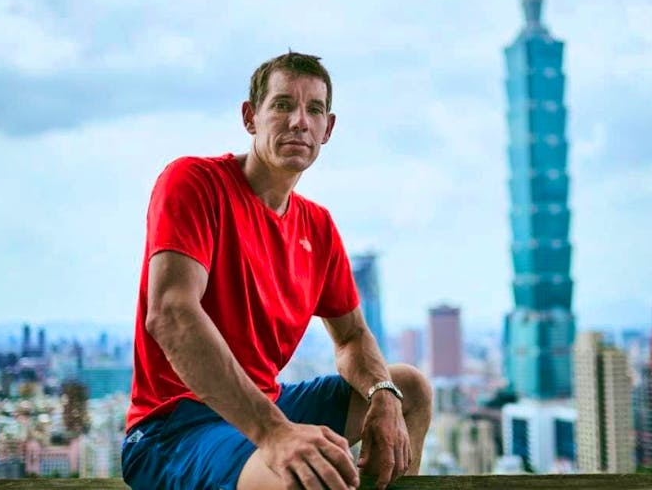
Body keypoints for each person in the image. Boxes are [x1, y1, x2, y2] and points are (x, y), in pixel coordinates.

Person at [121, 52, 432, 490]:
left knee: (409, 390)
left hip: (268, 406)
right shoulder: (193, 181)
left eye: (314, 110)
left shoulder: (317, 226)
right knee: (301, 472)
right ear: (251, 117)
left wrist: (382, 393)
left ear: (328, 129)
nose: (299, 121)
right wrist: (274, 434)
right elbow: (171, 314)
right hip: (176, 428)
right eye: (283, 104)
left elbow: (352, 337)